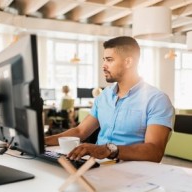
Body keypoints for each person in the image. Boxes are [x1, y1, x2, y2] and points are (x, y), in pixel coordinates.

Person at [45, 36, 174, 163]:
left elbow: (154, 152)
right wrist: (43, 141)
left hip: (133, 172)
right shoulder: (104, 95)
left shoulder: (157, 100)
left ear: (128, 62)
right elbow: (80, 131)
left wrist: (108, 150)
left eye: (109, 60)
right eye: (104, 60)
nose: (103, 66)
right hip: (97, 166)